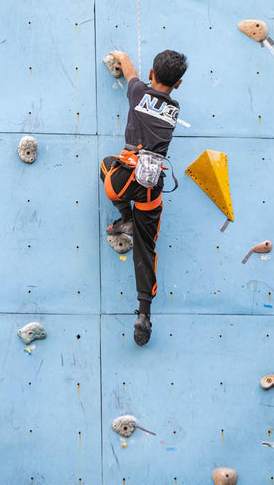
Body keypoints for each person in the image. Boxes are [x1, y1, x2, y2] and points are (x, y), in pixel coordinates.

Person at [100, 49, 188, 346]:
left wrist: (120, 54)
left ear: (152, 73)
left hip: (125, 179)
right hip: (152, 184)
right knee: (146, 247)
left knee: (105, 165)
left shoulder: (139, 92)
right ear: (178, 84)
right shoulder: (174, 109)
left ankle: (125, 217)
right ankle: (144, 315)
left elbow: (128, 70)